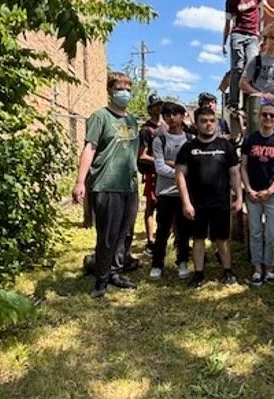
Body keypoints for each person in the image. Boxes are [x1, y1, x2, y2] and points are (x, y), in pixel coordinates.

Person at [72, 72, 140, 298]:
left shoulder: (131, 121)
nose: (125, 93)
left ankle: (116, 273)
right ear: (110, 91)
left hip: (128, 186)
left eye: (128, 89)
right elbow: (89, 149)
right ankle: (101, 280)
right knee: (107, 236)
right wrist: (80, 182)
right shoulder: (100, 117)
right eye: (120, 89)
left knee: (124, 235)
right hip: (106, 183)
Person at [176, 105, 243, 288]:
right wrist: (186, 202)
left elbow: (235, 174)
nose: (208, 125)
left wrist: (239, 197)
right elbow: (180, 174)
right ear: (197, 124)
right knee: (198, 239)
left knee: (222, 238)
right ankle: (198, 274)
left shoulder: (226, 146)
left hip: (221, 202)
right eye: (204, 121)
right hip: (197, 204)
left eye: (212, 121)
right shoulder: (188, 148)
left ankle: (228, 271)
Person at [221, 0, 274, 113]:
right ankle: (233, 102)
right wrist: (223, 42)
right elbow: (227, 24)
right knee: (238, 67)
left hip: (253, 35)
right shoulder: (230, 1)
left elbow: (269, 10)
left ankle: (249, 102)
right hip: (237, 35)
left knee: (251, 66)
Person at [240, 103, 274, 285]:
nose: (268, 118)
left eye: (271, 116)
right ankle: (257, 268)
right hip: (253, 194)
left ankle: (269, 269)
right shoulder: (250, 140)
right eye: (264, 115)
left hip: (272, 195)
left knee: (272, 233)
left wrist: (271, 190)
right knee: (255, 232)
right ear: (259, 117)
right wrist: (248, 189)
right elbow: (243, 166)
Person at [149, 102, 193, 280]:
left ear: (183, 116)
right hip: (165, 193)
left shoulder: (189, 140)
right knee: (162, 231)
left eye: (175, 114)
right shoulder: (160, 139)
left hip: (185, 194)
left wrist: (173, 165)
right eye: (167, 115)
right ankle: (157, 264)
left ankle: (182, 262)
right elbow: (159, 166)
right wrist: (181, 172)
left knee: (183, 231)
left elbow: (194, 166)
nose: (171, 118)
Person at [138, 94, 166, 256]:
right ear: (149, 109)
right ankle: (150, 241)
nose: (159, 108)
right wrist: (160, 161)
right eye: (155, 105)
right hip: (153, 174)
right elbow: (141, 155)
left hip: (168, 174)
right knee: (151, 207)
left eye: (161, 105)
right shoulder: (145, 130)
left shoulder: (167, 127)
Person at [239, 22, 274, 103]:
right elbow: (243, 83)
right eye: (272, 37)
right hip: (259, 104)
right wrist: (259, 94)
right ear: (265, 40)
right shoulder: (256, 60)